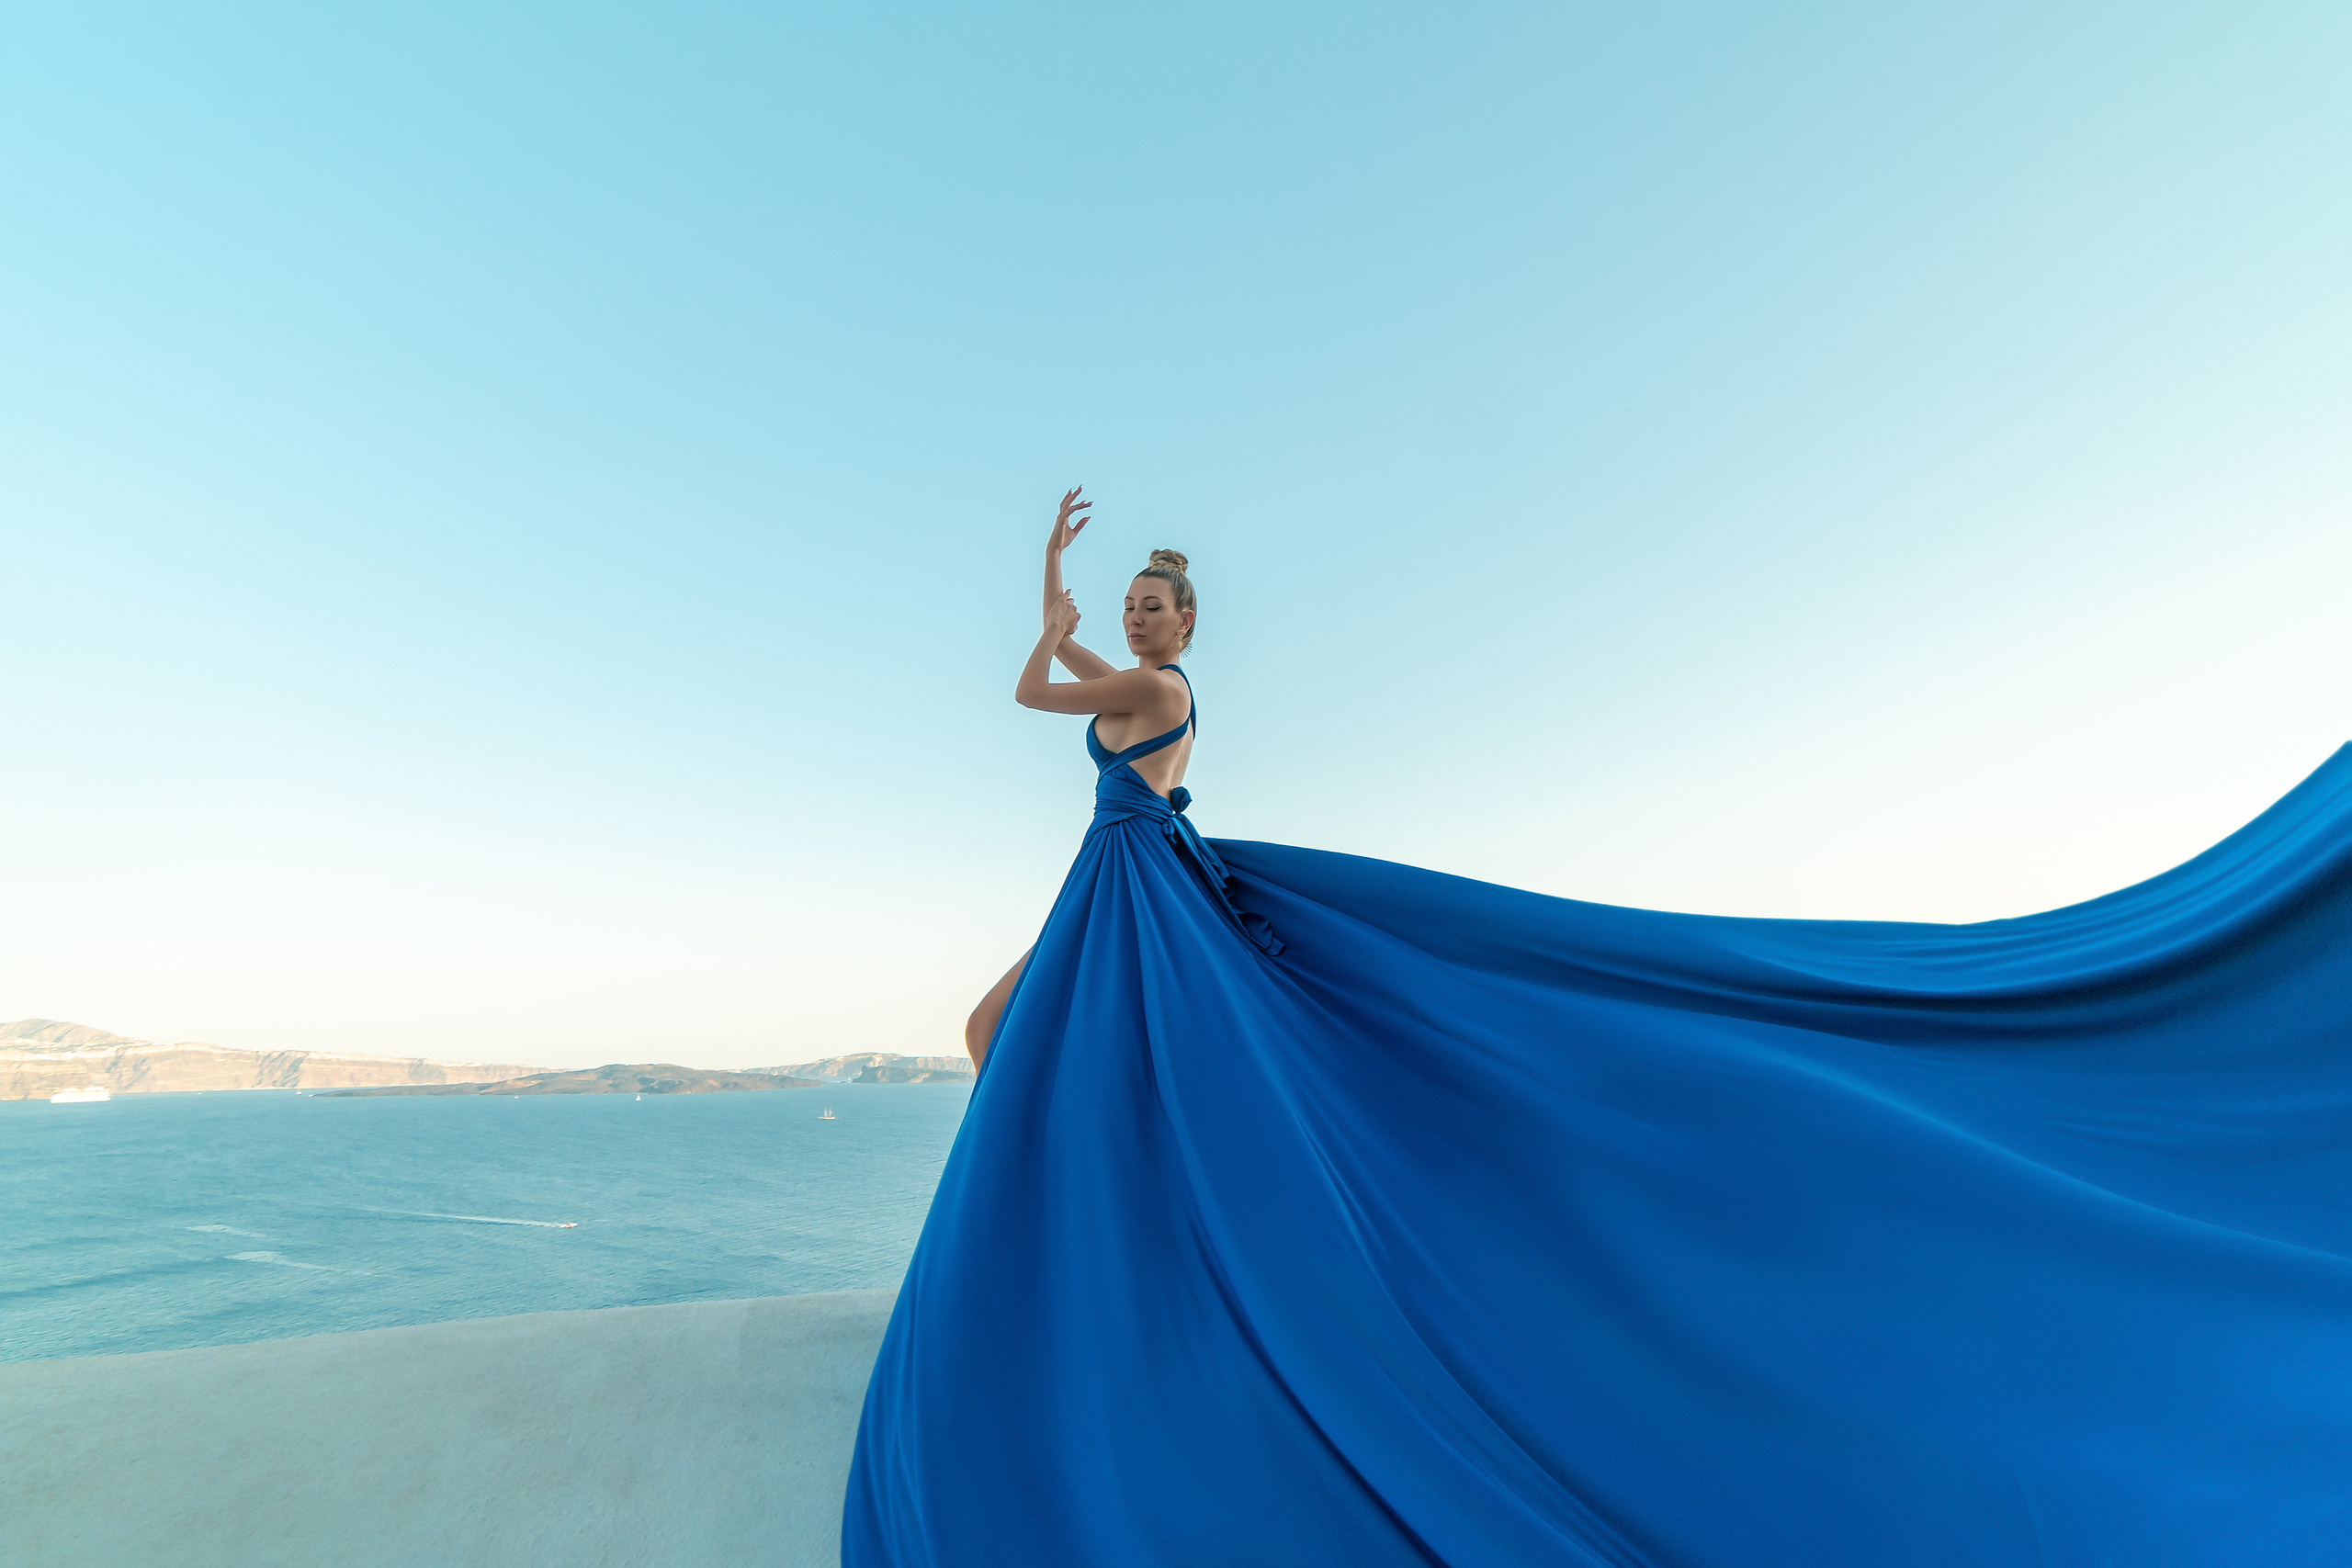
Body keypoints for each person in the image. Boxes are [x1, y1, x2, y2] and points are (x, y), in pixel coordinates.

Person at [844, 489, 2352, 1566]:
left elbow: (1036, 690)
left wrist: (1052, 601)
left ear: (1185, 626)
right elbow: (1064, 692)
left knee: (1037, 1045)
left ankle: (1058, 1246)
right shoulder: (1139, 679)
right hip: (1127, 880)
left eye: (1159, 604)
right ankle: (1066, 1228)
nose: (1143, 617)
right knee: (1013, 1037)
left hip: (1136, 888)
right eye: (1136, 603)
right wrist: (1064, 610)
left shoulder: (1152, 684)